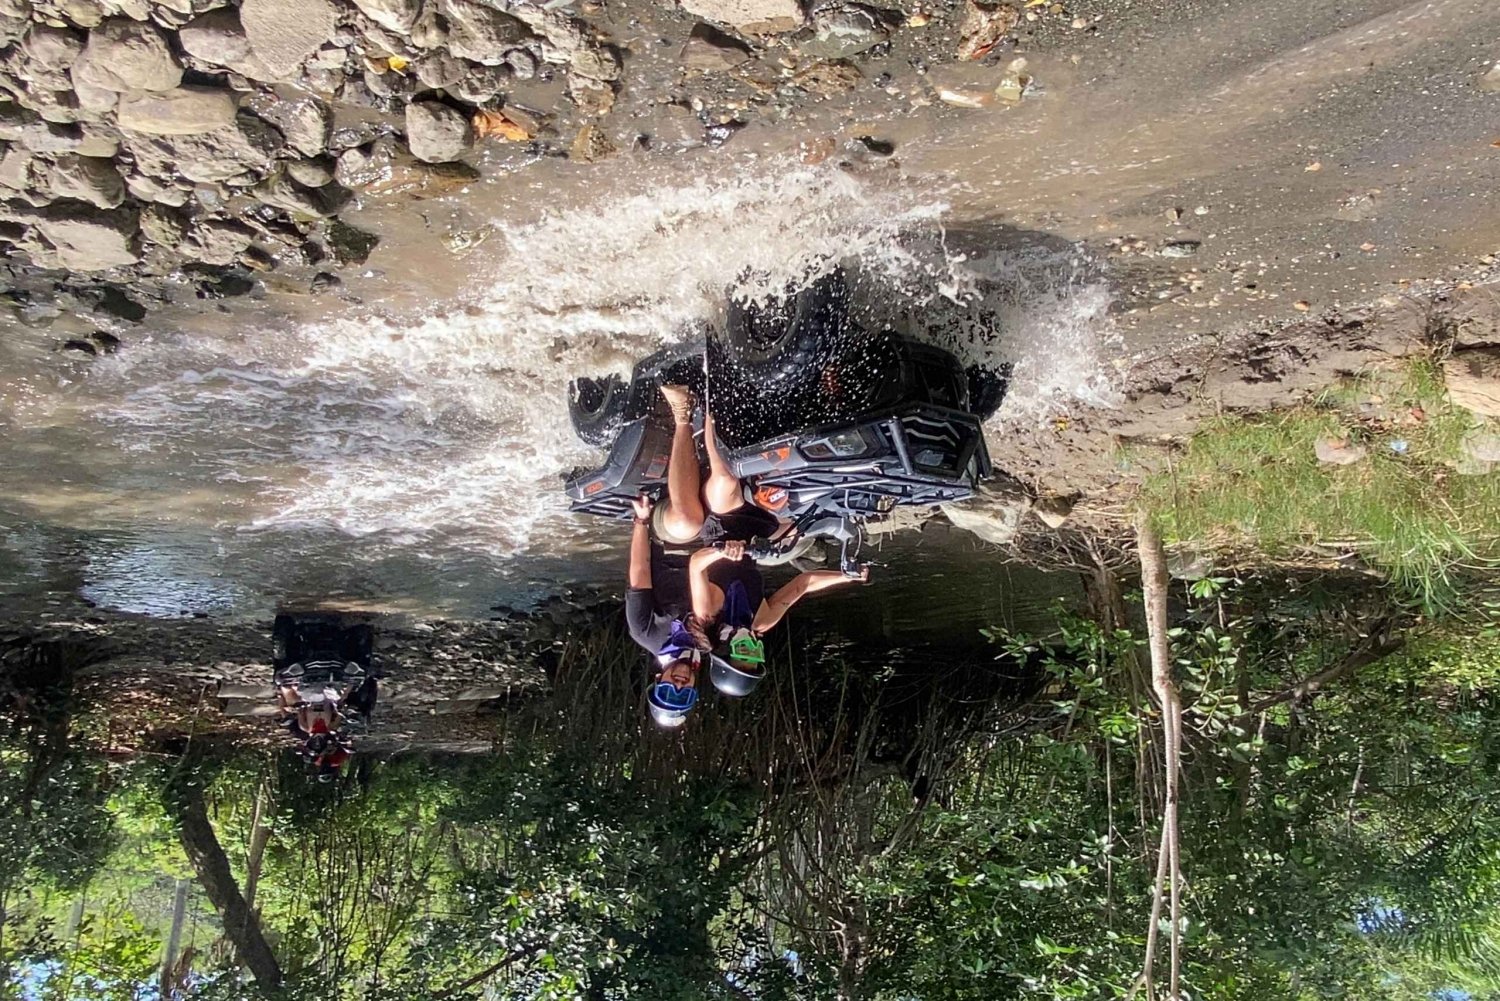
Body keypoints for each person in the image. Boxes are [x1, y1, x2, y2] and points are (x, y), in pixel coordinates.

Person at [687, 539, 867, 696]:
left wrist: (723, 551)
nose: (751, 648)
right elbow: (803, 584)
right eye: (755, 655)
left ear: (723, 650)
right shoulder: (763, 622)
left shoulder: (708, 614)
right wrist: (846, 577)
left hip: (719, 527)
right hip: (758, 541)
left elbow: (695, 564)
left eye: (744, 653)